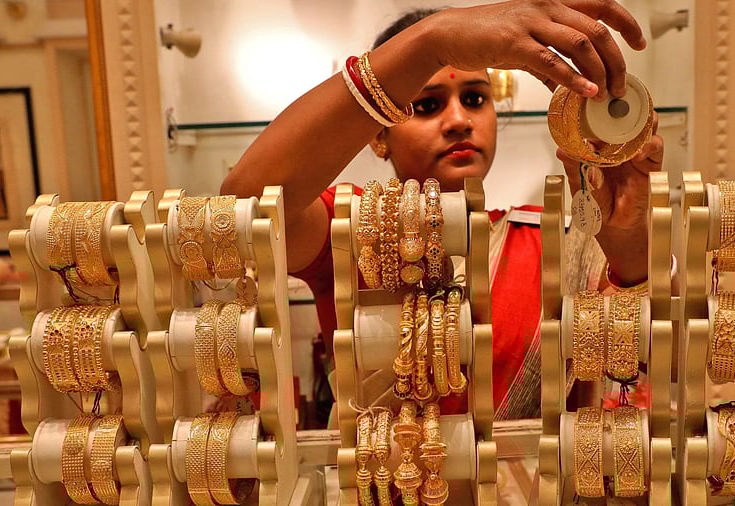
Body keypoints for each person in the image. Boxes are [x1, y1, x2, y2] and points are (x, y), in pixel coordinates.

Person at [221, 1, 664, 422]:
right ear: (377, 136)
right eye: (427, 105)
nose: (458, 120)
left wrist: (628, 241)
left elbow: (669, 361)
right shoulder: (351, 233)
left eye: (474, 99)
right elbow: (243, 211)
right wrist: (434, 39)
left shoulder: (551, 239)